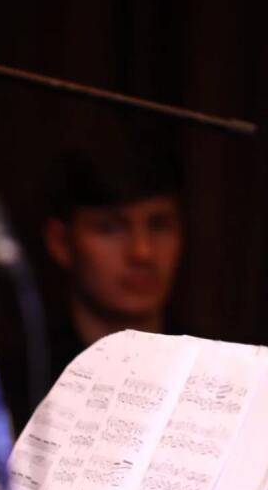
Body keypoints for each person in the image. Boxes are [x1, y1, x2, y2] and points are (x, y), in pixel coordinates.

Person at [42, 131, 184, 380]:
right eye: (110, 228)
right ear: (61, 242)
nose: (142, 252)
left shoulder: (226, 370)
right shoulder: (21, 382)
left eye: (159, 225)